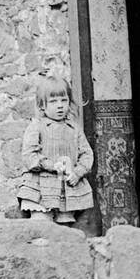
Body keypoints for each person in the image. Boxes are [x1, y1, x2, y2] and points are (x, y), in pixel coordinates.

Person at [18, 76, 94, 228]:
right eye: (53, 102)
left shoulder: (74, 128)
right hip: (40, 187)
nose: (60, 106)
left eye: (63, 100)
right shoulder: (37, 126)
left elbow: (87, 154)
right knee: (42, 227)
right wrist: (52, 165)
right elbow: (29, 155)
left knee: (65, 230)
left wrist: (77, 172)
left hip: (66, 190)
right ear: (42, 106)